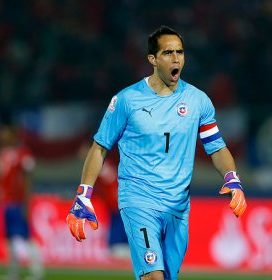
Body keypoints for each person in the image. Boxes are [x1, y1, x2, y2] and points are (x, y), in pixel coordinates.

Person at [66, 26, 247, 280]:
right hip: (138, 200)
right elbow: (100, 148)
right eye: (168, 52)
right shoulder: (127, 100)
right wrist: (83, 195)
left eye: (180, 52)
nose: (176, 59)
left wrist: (232, 178)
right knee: (154, 276)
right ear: (152, 59)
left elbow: (216, 147)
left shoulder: (198, 101)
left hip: (178, 207)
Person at [0, 124, 44, 280]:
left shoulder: (23, 153)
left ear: (13, 135)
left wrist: (27, 201)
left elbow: (29, 177)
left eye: (5, 134)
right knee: (10, 238)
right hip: (6, 202)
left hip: (18, 202)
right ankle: (13, 273)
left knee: (25, 236)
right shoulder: (2, 154)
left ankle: (37, 272)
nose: (2, 137)